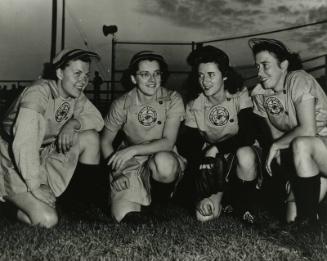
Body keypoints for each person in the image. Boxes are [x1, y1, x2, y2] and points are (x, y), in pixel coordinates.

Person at [0, 48, 104, 228]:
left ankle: (84, 207)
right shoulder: (38, 92)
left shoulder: (74, 95)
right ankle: (4, 206)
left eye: (86, 75)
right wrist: (35, 186)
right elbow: (24, 144)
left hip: (39, 154)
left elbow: (97, 120)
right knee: (47, 220)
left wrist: (73, 124)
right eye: (77, 73)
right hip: (9, 157)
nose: (83, 81)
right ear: (59, 73)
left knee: (90, 138)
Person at [249, 38, 327, 227]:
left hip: (320, 149)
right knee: (292, 219)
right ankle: (307, 223)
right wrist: (291, 175)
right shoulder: (260, 94)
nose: (259, 72)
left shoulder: (298, 78)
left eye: (265, 65)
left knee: (301, 143)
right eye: (257, 66)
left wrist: (276, 146)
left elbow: (308, 130)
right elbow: (278, 138)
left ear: (283, 65)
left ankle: (309, 221)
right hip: (306, 159)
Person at [101, 51, 186, 222]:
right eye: (145, 74)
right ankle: (138, 201)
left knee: (164, 163)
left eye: (156, 74)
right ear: (133, 78)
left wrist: (132, 150)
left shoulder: (172, 98)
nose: (152, 80)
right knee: (122, 216)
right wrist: (117, 173)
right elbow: (105, 141)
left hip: (161, 155)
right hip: (131, 163)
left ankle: (159, 203)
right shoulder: (121, 104)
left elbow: (168, 142)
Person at [181, 45, 262, 224]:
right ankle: (225, 198)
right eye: (201, 75)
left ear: (224, 75)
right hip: (215, 161)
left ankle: (244, 204)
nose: (205, 81)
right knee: (203, 216)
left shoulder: (239, 93)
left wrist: (216, 148)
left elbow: (247, 135)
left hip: (238, 152)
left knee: (245, 155)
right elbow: (189, 144)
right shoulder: (195, 103)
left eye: (211, 75)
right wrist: (203, 165)